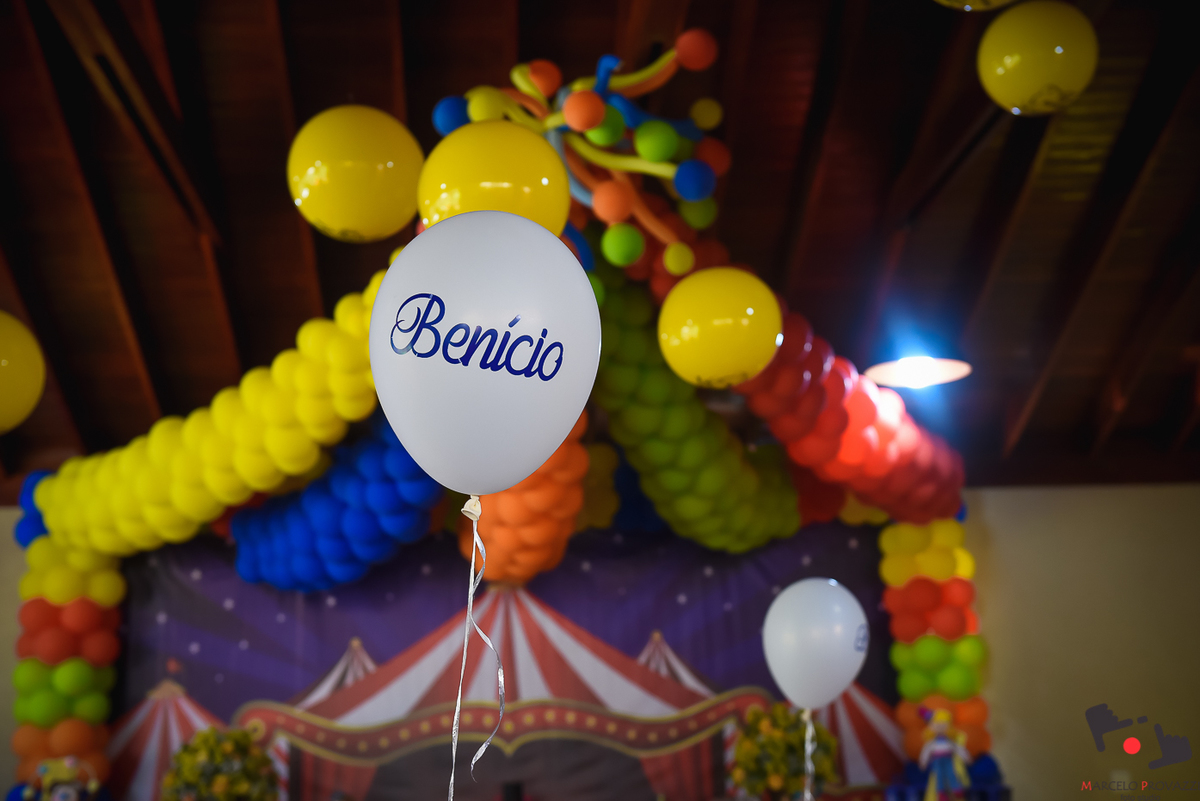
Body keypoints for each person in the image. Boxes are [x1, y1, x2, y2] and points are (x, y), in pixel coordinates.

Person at [917, 708, 971, 801]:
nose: (940, 727)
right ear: (932, 726)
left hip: (948, 760)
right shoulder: (932, 742)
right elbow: (926, 751)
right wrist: (923, 761)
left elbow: (958, 749)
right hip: (937, 761)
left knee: (951, 774)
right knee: (939, 776)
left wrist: (966, 757)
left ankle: (956, 789)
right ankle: (941, 793)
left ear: (949, 727)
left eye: (943, 725)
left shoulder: (950, 741)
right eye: (938, 725)